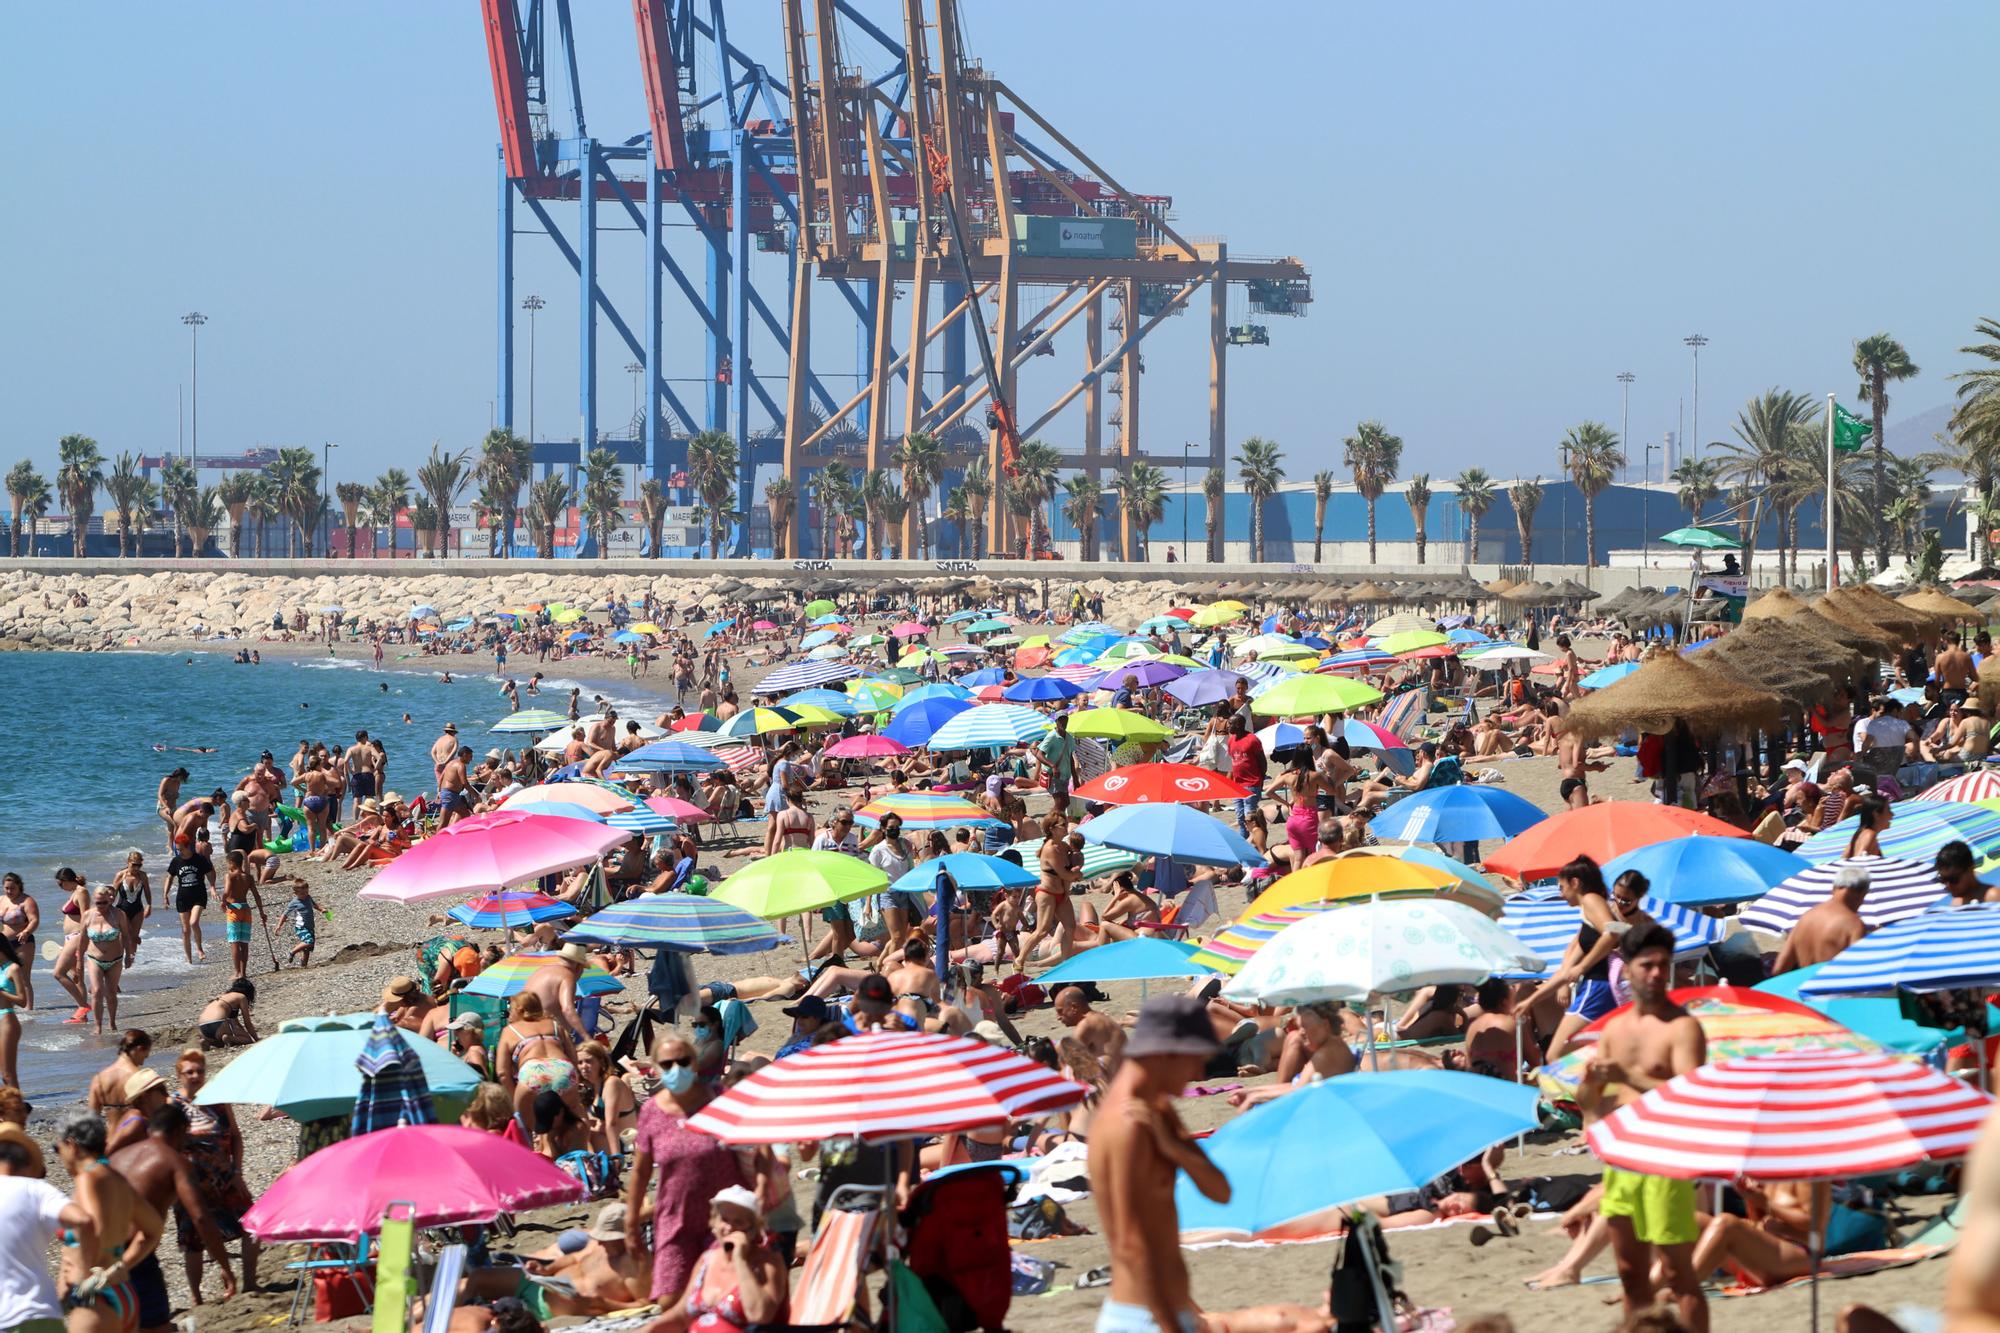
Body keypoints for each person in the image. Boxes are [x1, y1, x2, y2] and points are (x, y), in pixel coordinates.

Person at [1574, 923, 1709, 1332]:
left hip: (1666, 1157)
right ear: (1627, 969)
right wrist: (1590, 1091)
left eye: (1663, 966)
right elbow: (1591, 1104)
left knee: (1677, 1273)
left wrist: (1628, 1074)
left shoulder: (1682, 1027)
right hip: (1623, 1158)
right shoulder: (1615, 1028)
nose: (1656, 974)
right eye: (1647, 965)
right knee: (1630, 1272)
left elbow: (1690, 1094)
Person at [1090, 996, 1232, 1333]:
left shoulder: (1156, 1111)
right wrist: (1170, 1325)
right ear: (1165, 1052)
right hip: (1146, 1317)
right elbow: (1129, 1242)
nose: (1199, 1073)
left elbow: (1221, 1191)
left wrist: (1174, 1147)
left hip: (1165, 1313)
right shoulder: (1128, 1123)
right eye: (1195, 1060)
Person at [623, 1034, 746, 1304]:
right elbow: (641, 1172)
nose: (675, 1069)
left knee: (721, 1297)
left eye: (683, 1060)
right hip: (675, 1219)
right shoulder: (652, 1112)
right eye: (667, 1064)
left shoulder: (719, 1099)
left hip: (726, 1218)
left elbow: (752, 1152)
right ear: (655, 1067)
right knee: (669, 1300)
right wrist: (632, 1223)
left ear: (695, 1063)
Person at [109, 1103, 240, 1319]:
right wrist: (225, 1265)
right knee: (155, 1325)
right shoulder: (174, 1162)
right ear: (180, 1131)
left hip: (100, 1251)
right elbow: (200, 1217)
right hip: (136, 1254)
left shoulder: (118, 1157)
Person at [53, 1108, 165, 1333]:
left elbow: (90, 1225)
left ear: (72, 1144)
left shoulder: (87, 1179)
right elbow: (154, 1229)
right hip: (123, 1290)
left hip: (95, 1298)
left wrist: (81, 1277)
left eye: (57, 1148)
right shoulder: (118, 1180)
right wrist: (124, 1264)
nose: (59, 1155)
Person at [168, 1050, 255, 1302]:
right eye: (189, 1072)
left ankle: (249, 1283)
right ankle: (197, 1298)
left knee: (252, 1226)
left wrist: (237, 1170)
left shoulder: (217, 1100)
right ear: (179, 1074)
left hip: (225, 1179)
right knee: (193, 1243)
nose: (196, 1076)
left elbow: (236, 1137)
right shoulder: (172, 1107)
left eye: (200, 1071)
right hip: (189, 1186)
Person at [650, 1185, 788, 1333]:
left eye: (739, 1222)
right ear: (713, 1222)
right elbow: (682, 1315)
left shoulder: (768, 1262)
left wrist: (740, 1260)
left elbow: (760, 1315)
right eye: (724, 1219)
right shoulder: (707, 1259)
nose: (729, 1227)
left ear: (754, 1228)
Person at [1523, 856, 1622, 1062]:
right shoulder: (1588, 915)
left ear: (1575, 883)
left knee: (1556, 1054)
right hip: (1600, 986)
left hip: (1599, 986)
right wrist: (1530, 1001)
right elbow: (1567, 969)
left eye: (1561, 887)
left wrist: (1582, 967)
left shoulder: (1591, 899)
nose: (1560, 894)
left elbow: (1614, 933)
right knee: (1595, 1051)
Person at [0, 1130, 89, 1333]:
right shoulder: (35, 1189)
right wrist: (75, 1271)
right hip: (35, 1314)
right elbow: (82, 1220)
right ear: (29, 1164)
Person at [1772, 864, 1872, 974]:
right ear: (1862, 893)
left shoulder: (1806, 917)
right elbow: (1859, 971)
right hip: (1834, 988)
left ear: (1834, 888)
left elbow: (1779, 968)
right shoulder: (1854, 925)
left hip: (1803, 987)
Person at [87, 1032, 152, 1131]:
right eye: (145, 1056)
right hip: (138, 1137)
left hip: (112, 1137)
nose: (142, 1062)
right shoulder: (141, 1077)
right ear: (139, 1049)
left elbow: (91, 1118)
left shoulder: (99, 1079)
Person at [166, 838, 214, 965]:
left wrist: (213, 887)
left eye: (181, 849)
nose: (179, 851)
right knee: (185, 930)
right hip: (182, 897)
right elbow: (169, 878)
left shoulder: (199, 859)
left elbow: (210, 873)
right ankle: (189, 959)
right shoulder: (176, 861)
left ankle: (199, 948)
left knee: (193, 922)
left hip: (199, 895)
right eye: (177, 849)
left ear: (188, 847)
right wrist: (165, 894)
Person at [1054, 986, 1126, 1069]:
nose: (1058, 1017)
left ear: (1074, 1007)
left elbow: (1063, 1056)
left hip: (1115, 1079)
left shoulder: (1087, 1024)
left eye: (1060, 1011)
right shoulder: (1101, 1018)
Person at [0, 872, 42, 1011]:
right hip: (4, 945)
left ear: (19, 886)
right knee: (4, 975)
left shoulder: (27, 901)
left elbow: (34, 920)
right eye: (6, 888)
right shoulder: (1, 900)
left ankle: (29, 1010)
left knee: (24, 977)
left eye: (12, 888)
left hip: (23, 943)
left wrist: (26, 931)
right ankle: (7, 1004)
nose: (9, 891)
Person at [1226, 717, 1267, 835]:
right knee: (1240, 818)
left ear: (1238, 725)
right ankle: (1245, 843)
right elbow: (1233, 761)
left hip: (1251, 784)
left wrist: (1260, 780)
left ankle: (1257, 842)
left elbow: (1262, 762)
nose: (1228, 726)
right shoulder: (1231, 740)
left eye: (1230, 723)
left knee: (1250, 818)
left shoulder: (1252, 740)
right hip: (1236, 785)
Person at [108, 855, 150, 969]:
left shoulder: (142, 876)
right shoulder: (120, 875)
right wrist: (108, 907)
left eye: (139, 865)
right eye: (134, 865)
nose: (136, 868)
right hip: (122, 909)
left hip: (138, 909)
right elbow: (113, 893)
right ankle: (120, 961)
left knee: (134, 938)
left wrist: (149, 905)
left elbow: (147, 891)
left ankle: (131, 961)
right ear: (128, 862)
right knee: (125, 935)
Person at [196, 979, 257, 1049]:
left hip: (202, 1026)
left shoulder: (222, 996)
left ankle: (207, 1041)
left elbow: (235, 1021)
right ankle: (230, 1038)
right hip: (217, 1023)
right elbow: (247, 1023)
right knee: (247, 1039)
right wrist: (256, 1038)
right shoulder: (241, 996)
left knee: (221, 1043)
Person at [1936, 839, 1997, 905]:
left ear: (1970, 869)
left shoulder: (1993, 897)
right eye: (1943, 879)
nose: (1948, 886)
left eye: (1953, 879)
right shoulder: (1956, 904)